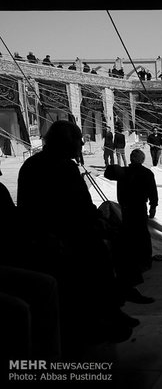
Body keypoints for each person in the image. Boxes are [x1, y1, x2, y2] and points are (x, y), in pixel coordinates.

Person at [16, 121, 135, 350]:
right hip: (65, 235)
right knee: (102, 256)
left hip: (50, 232)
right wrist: (99, 222)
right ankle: (111, 309)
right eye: (78, 140)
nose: (81, 144)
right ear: (67, 143)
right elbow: (80, 205)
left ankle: (114, 305)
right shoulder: (63, 167)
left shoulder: (32, 164)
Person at [104, 149, 158, 305]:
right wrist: (153, 205)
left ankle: (139, 257)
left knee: (134, 232)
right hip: (137, 207)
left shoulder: (125, 173)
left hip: (127, 208)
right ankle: (143, 258)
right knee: (141, 232)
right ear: (141, 159)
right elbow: (152, 191)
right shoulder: (144, 173)